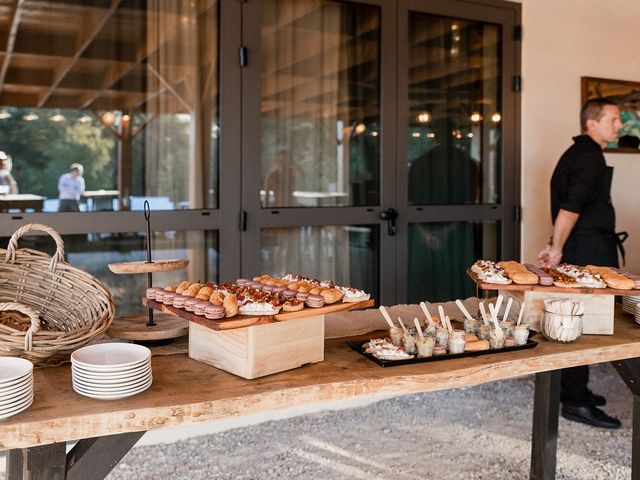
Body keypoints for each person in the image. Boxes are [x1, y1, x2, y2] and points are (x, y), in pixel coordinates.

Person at [538, 98, 624, 429]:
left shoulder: (580, 153)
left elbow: (567, 206)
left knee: (578, 320)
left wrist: (555, 244)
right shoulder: (589, 156)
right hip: (588, 251)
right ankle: (575, 401)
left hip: (584, 245)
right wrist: (556, 248)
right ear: (592, 122)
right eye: (614, 119)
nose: (619, 125)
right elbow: (570, 207)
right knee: (583, 325)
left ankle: (573, 390)